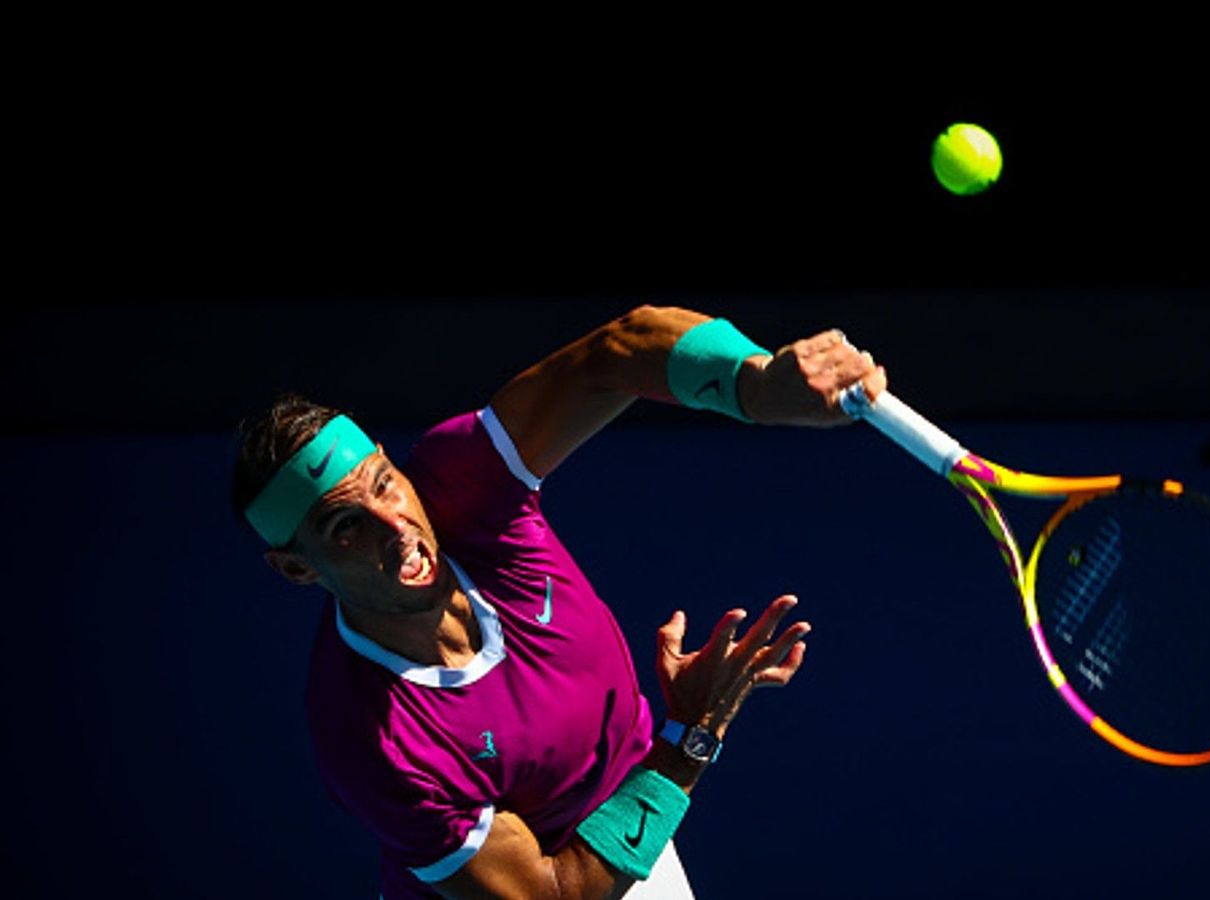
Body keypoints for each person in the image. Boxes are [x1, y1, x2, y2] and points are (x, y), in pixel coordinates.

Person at [231, 306, 886, 899]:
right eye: (346, 527)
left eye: (384, 483)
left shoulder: (463, 488)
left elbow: (618, 353)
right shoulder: (372, 735)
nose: (394, 524)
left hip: (631, 825)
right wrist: (691, 735)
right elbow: (555, 894)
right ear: (296, 568)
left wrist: (756, 384)